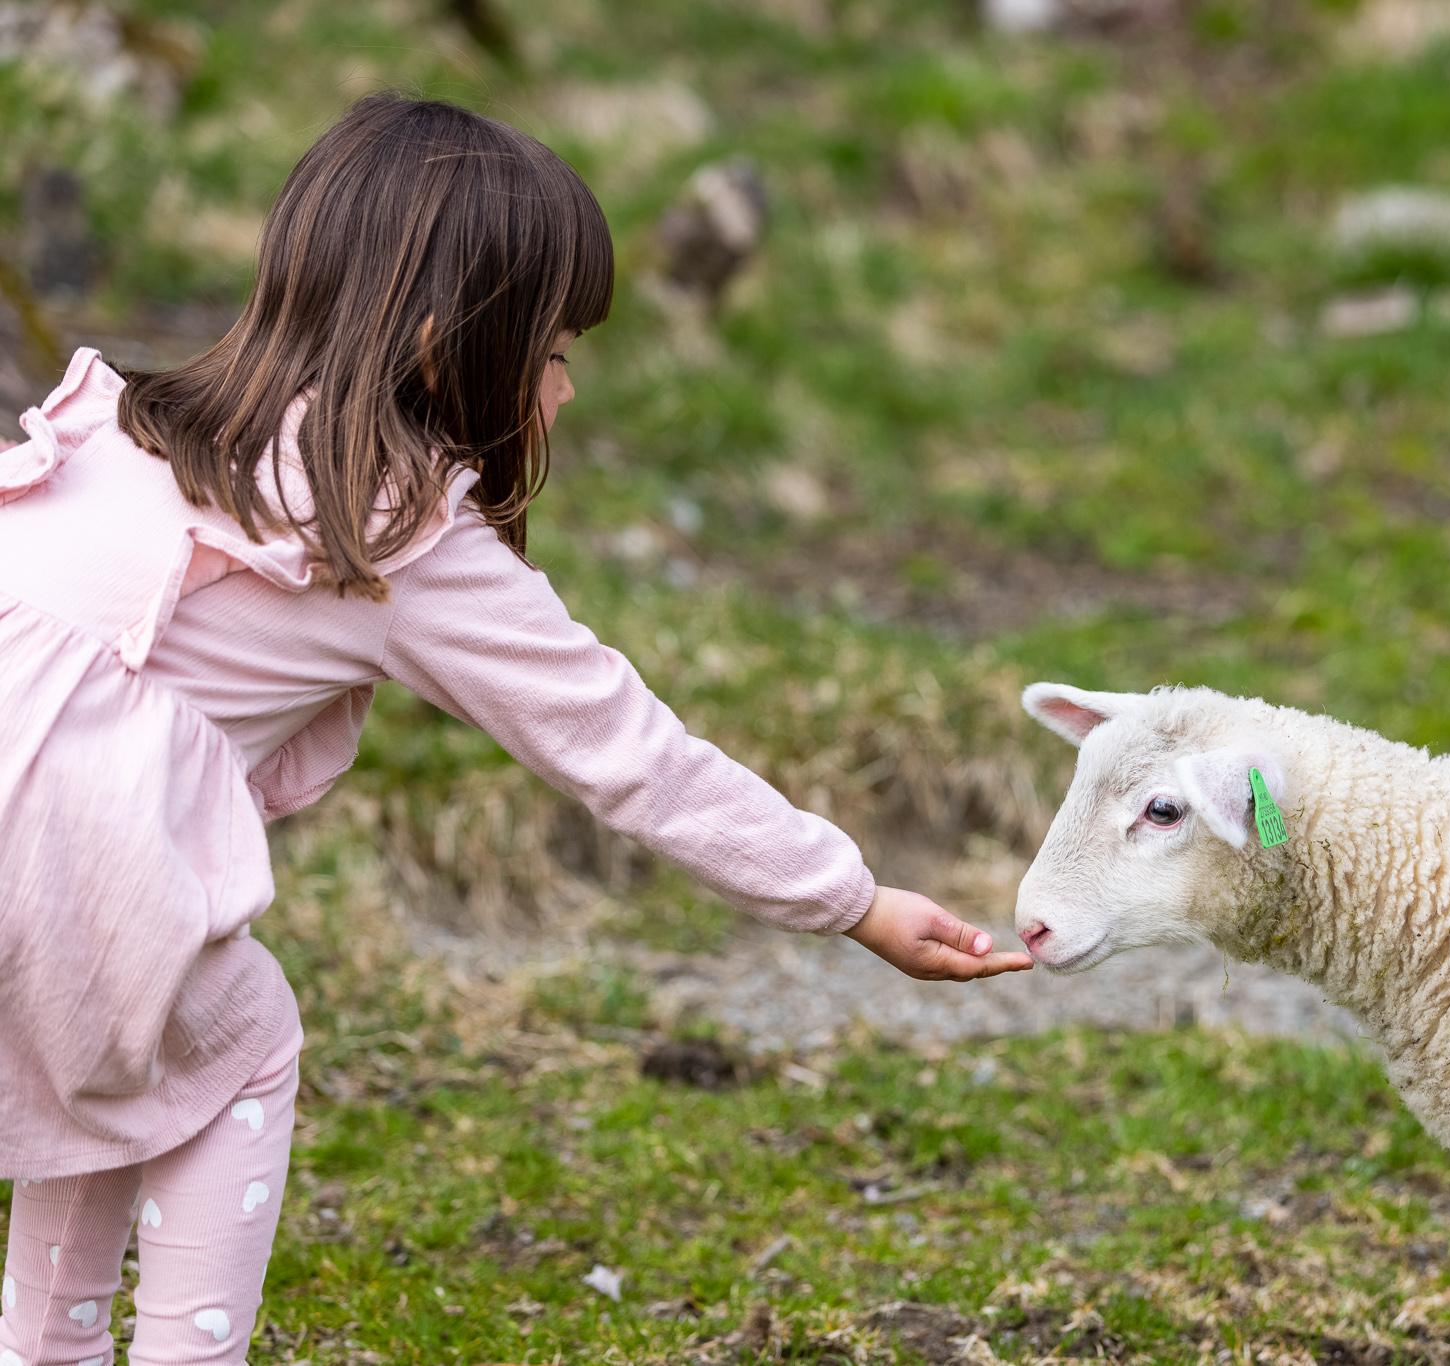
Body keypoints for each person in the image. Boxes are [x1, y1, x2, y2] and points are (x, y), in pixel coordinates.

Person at [0, 92, 1030, 1366]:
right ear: (447, 349)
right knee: (236, 1037)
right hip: (61, 860)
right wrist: (852, 899)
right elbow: (630, 755)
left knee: (122, 1047)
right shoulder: (388, 527)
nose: (565, 387)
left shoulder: (124, 428)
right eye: (551, 350)